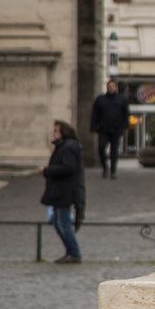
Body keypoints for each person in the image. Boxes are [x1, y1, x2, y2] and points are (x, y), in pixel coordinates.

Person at [41, 120, 84, 264]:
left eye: (56, 131)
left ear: (63, 132)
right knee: (57, 221)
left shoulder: (68, 147)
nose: (53, 134)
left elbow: (68, 168)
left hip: (64, 192)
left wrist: (47, 171)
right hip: (60, 191)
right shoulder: (64, 147)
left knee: (63, 223)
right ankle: (70, 251)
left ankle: (74, 252)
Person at [89, 80, 130, 179]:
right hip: (103, 129)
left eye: (113, 86)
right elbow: (94, 114)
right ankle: (105, 167)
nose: (111, 88)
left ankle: (113, 171)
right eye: (109, 86)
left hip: (116, 129)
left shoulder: (122, 100)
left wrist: (124, 126)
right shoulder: (100, 99)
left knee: (114, 151)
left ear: (116, 88)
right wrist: (93, 126)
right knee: (101, 148)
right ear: (107, 87)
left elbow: (126, 114)